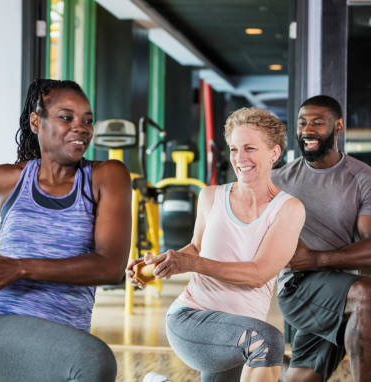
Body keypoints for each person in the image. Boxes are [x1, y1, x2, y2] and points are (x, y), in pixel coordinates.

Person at [0, 79, 131, 382]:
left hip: (61, 331)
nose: (81, 127)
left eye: (87, 120)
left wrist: (21, 268)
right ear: (37, 122)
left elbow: (111, 266)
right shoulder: (6, 179)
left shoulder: (106, 177)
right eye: (66, 117)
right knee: (94, 362)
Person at [128, 108, 305, 382]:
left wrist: (192, 263)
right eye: (234, 149)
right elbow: (196, 249)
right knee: (267, 341)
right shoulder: (211, 197)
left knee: (261, 340)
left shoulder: (288, 209)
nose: (240, 158)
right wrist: (160, 264)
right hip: (193, 318)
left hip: (238, 330)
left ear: (274, 153)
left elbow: (258, 274)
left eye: (250, 148)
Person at [272, 95, 371, 381]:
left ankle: (261, 357)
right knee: (367, 293)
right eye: (302, 123)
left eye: (317, 122)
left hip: (341, 286)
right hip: (298, 287)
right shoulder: (278, 181)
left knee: (300, 379)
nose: (307, 130)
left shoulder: (368, 180)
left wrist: (315, 258)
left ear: (338, 127)